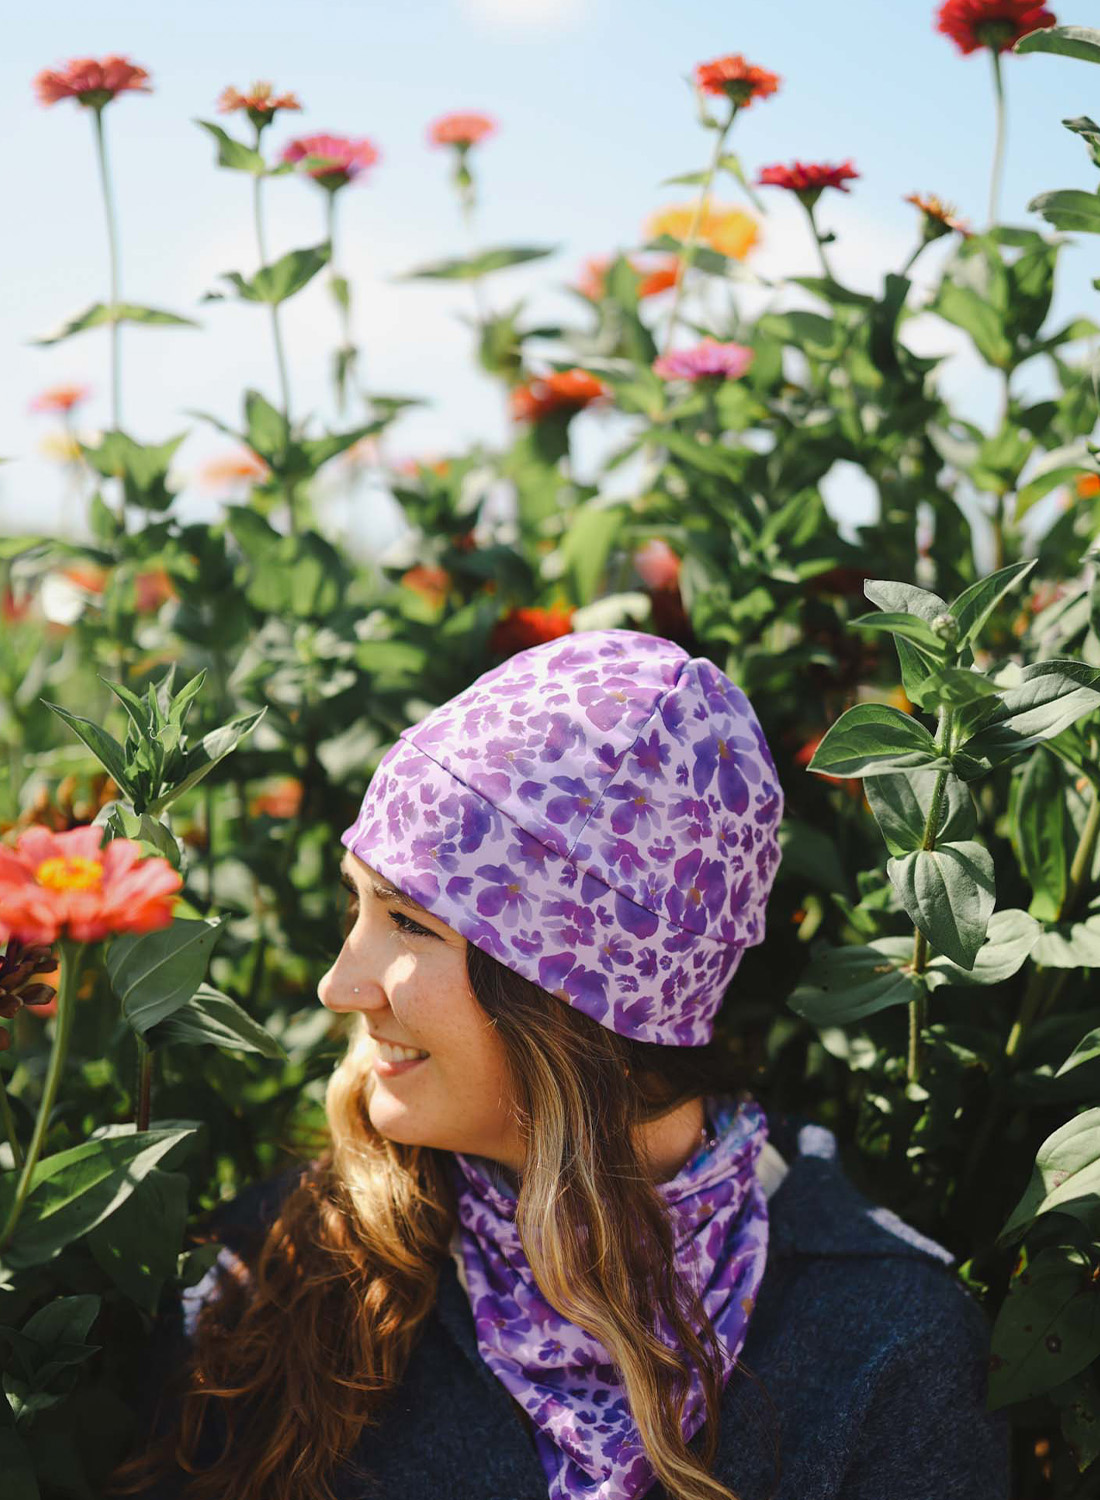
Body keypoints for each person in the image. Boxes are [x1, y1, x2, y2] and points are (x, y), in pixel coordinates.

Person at [107, 628, 1009, 1500]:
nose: (339, 986)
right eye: (360, 908)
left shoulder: (884, 1350)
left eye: (410, 922)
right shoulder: (271, 1277)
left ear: (581, 1000)